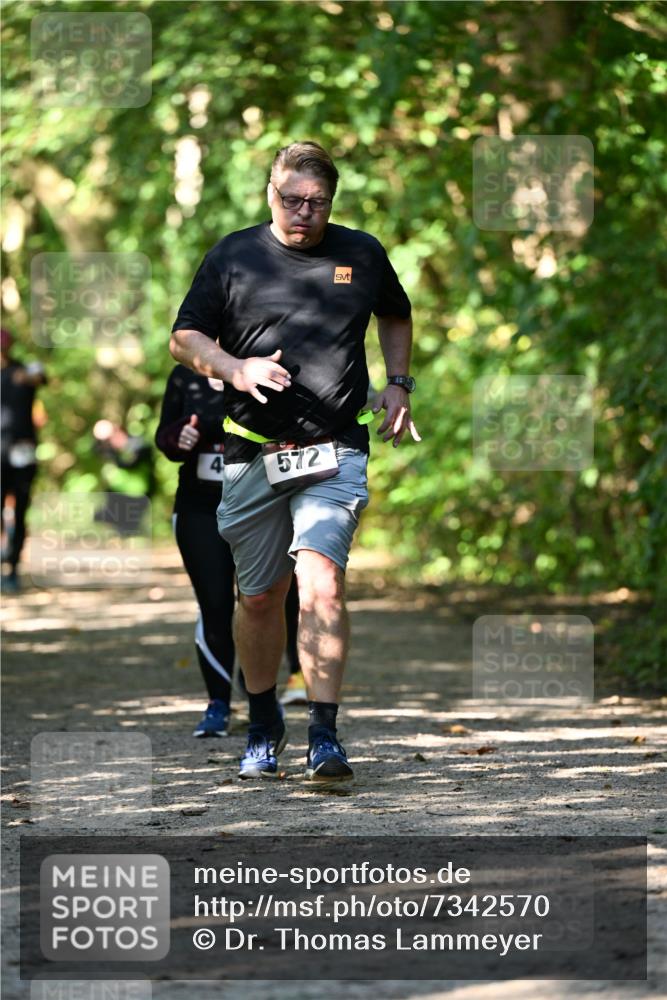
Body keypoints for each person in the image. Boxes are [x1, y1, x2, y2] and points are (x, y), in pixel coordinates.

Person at [169, 140, 419, 783]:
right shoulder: (233, 254)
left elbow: (396, 312)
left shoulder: (360, 252)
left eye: (317, 203)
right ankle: (261, 724)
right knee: (258, 598)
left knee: (322, 581)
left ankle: (325, 734)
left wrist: (399, 383)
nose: (304, 213)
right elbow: (184, 337)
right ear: (269, 193)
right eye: (292, 200)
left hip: (336, 448)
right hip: (251, 451)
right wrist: (235, 367)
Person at [155, 364, 303, 735]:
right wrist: (179, 438)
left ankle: (264, 696)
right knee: (216, 604)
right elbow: (165, 438)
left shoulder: (270, 366)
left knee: (264, 599)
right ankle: (217, 704)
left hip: (262, 504)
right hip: (199, 508)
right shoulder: (184, 376)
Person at [1, 328, 47, 594]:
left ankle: (13, 567)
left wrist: (28, 376)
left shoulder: (23, 371)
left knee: (20, 508)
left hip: (22, 451)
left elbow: (40, 376)